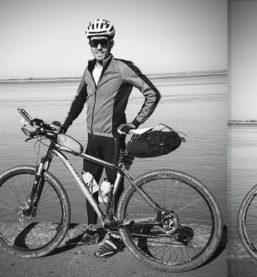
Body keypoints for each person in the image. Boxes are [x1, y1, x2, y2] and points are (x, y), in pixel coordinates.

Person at [60, 18, 161, 258]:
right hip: (92, 139)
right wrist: (64, 126)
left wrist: (134, 124)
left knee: (113, 189)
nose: (98, 47)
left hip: (113, 139)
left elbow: (152, 94)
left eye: (103, 42)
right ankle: (93, 230)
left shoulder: (122, 68)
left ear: (111, 42)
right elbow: (78, 100)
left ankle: (115, 237)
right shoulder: (88, 69)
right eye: (94, 42)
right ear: (89, 44)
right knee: (89, 185)